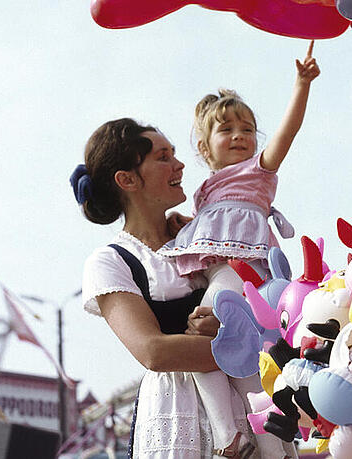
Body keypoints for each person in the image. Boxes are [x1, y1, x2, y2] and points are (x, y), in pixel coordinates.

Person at [72, 118, 296, 458]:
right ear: (127, 179)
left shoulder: (201, 240)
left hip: (248, 405)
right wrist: (241, 347)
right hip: (177, 413)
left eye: (174, 154)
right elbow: (154, 352)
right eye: (163, 157)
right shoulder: (111, 262)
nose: (179, 165)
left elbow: (268, 300)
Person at [159, 42, 319, 457]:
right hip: (218, 271)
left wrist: (301, 85)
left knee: (208, 339)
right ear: (204, 147)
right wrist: (184, 227)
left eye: (246, 129)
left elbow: (288, 132)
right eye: (226, 129)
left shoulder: (258, 171)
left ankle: (232, 436)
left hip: (245, 272)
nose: (239, 136)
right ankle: (237, 435)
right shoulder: (204, 192)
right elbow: (208, 229)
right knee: (217, 350)